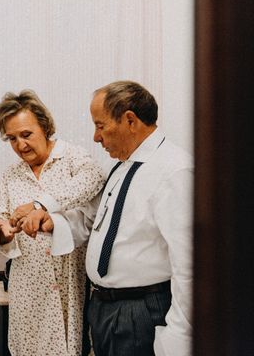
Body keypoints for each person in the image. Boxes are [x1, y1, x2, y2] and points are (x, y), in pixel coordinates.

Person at [13, 81, 193, 356]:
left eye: (100, 125)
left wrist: (179, 336)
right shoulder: (121, 167)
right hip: (106, 308)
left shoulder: (174, 170)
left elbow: (190, 264)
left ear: (130, 120)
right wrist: (54, 223)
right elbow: (95, 223)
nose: (96, 137)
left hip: (141, 310)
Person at [0, 90, 105, 356]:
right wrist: (5, 233)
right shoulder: (10, 177)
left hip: (69, 285)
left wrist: (40, 204)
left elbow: (94, 179)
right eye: (12, 138)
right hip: (27, 288)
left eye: (26, 134)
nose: (20, 145)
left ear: (45, 126)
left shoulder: (73, 158)